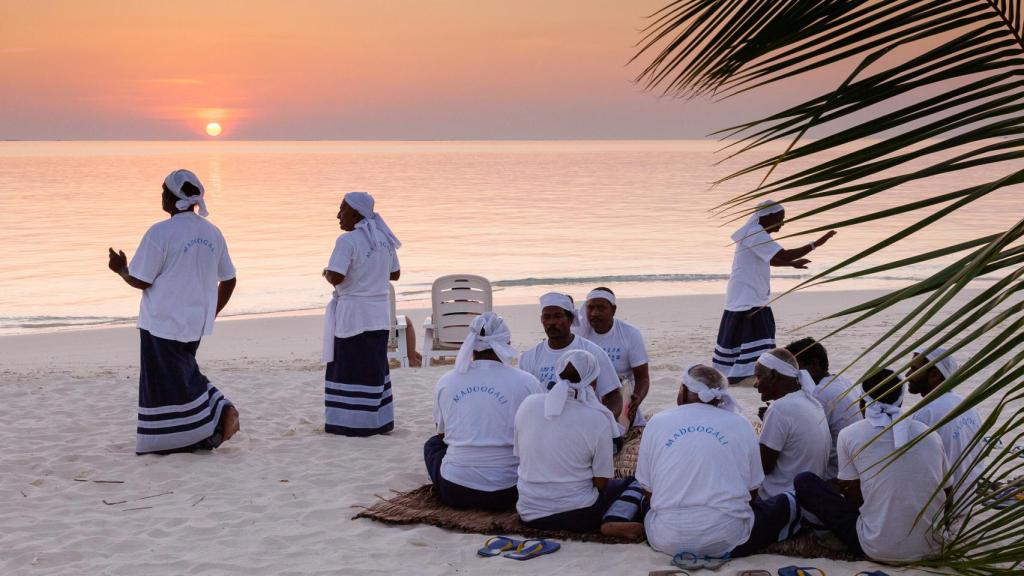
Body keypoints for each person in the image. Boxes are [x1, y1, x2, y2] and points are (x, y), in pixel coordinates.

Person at [600, 365, 799, 559]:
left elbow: (649, 492)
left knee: (639, 484)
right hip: (728, 538)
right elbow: (753, 492)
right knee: (787, 503)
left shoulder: (657, 422)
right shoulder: (741, 424)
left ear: (684, 390)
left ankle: (619, 517)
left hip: (665, 538)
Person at [107, 169, 240, 455]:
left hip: (162, 321)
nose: (161, 196)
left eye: (163, 191)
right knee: (181, 374)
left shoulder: (160, 232)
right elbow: (229, 279)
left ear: (172, 196)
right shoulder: (212, 232)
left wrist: (121, 270)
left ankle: (220, 410)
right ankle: (201, 426)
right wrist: (210, 312)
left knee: (166, 380)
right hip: (194, 322)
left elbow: (141, 280)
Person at [794, 369, 951, 562]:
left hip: (878, 548)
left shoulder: (850, 435)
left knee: (805, 482)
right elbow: (948, 494)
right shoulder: (930, 434)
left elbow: (853, 498)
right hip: (933, 547)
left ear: (862, 403)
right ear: (900, 402)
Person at [424, 312, 544, 510]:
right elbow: (538, 433)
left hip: (456, 489)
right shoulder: (527, 382)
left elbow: (442, 432)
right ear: (507, 343)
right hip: (511, 490)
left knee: (433, 444)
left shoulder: (447, 381)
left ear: (470, 343)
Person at [713, 200, 836, 384]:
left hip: (746, 291)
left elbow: (772, 259)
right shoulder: (755, 234)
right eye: (780, 218)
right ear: (767, 216)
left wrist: (791, 264)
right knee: (755, 328)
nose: (782, 223)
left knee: (743, 330)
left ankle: (738, 370)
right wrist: (815, 244)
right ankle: (749, 371)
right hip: (748, 293)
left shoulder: (755, 234)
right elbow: (783, 255)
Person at [513, 350, 628, 532]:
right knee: (632, 483)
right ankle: (615, 518)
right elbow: (601, 482)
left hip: (528, 513)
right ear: (594, 381)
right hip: (577, 516)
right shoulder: (598, 418)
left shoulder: (529, 404)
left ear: (557, 373)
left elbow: (520, 455)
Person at [322, 192, 401, 437]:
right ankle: (377, 421)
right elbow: (395, 274)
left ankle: (350, 423)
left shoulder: (347, 241)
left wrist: (325, 273)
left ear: (356, 213)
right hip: (378, 314)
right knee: (373, 366)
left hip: (354, 315)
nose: (338, 216)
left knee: (349, 366)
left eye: (342, 210)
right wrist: (371, 276)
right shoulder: (384, 238)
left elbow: (336, 276)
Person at [519, 292, 623, 419]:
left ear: (570, 319)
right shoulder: (529, 357)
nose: (552, 322)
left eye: (558, 316)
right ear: (542, 320)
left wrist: (604, 425)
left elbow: (614, 397)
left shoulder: (592, 351)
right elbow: (524, 401)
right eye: (547, 317)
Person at [753, 349, 831, 499]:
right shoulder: (812, 402)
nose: (755, 384)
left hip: (782, 502)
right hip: (809, 497)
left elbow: (763, 467)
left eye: (758, 377)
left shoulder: (779, 409)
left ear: (773, 376)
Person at [908, 346, 984, 498]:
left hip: (943, 506)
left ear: (935, 375)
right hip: (967, 500)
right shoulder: (967, 405)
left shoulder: (925, 414)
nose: (907, 375)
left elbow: (915, 468)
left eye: (914, 369)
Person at [785, 337, 862, 479]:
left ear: (814, 365)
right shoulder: (843, 381)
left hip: (834, 472)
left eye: (795, 369)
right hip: (854, 465)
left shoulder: (819, 394)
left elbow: (803, 439)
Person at [574, 287, 651, 428]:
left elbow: (643, 378)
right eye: (590, 308)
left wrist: (637, 398)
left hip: (622, 397)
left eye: (601, 308)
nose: (594, 313)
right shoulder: (580, 336)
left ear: (613, 310)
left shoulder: (630, 334)